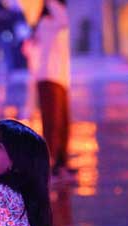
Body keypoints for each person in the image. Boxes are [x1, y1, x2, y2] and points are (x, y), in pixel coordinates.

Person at [33, 0, 71, 178]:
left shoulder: (53, 21)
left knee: (63, 123)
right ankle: (51, 166)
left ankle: (61, 163)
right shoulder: (48, 22)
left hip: (60, 79)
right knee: (52, 125)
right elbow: (64, 20)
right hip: (49, 78)